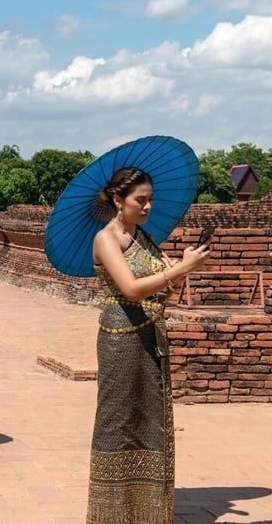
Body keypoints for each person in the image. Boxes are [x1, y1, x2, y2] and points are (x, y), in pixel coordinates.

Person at [86, 167, 209, 522]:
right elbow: (131, 289)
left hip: (151, 334)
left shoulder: (144, 237)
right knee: (117, 421)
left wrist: (180, 271)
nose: (148, 206)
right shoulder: (106, 239)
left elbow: (162, 288)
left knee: (151, 418)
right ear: (117, 200)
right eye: (141, 200)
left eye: (150, 199)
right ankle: (110, 513)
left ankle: (149, 512)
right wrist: (176, 269)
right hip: (120, 337)